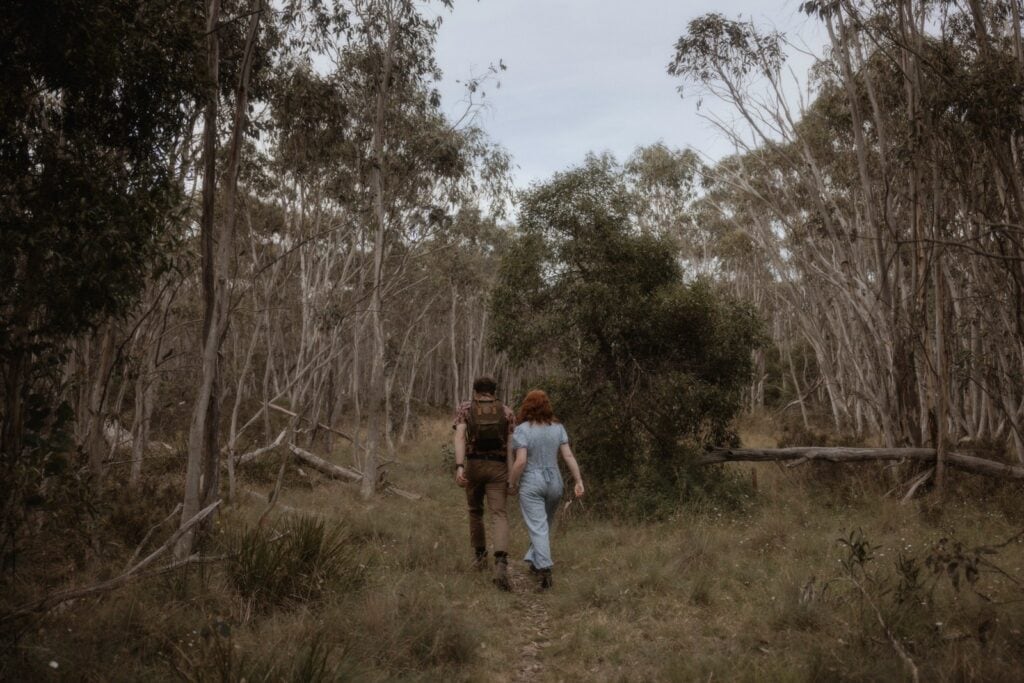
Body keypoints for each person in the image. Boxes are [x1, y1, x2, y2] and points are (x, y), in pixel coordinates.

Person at [508, 389, 584, 590]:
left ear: (527, 406)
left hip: (532, 482)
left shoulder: (522, 429)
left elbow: (520, 461)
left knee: (538, 526)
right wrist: (578, 480)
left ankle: (545, 571)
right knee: (544, 525)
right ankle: (534, 561)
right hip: (555, 482)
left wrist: (512, 483)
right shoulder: (557, 428)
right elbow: (568, 456)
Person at [453, 376, 517, 590]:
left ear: (475, 391)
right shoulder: (507, 411)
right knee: (499, 513)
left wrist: (460, 466)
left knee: (475, 511)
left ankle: (480, 557)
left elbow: (460, 437)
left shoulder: (465, 408)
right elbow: (510, 447)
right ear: (494, 391)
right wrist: (511, 476)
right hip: (498, 467)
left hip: (474, 465)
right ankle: (500, 562)